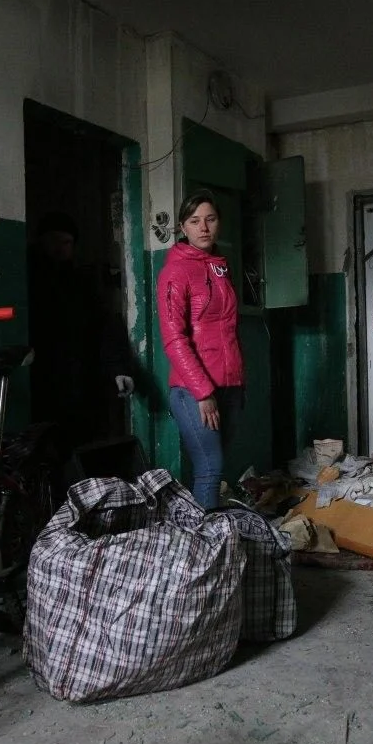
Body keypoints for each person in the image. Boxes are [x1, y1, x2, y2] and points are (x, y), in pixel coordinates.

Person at [156, 189, 244, 509]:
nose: (203, 227)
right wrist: (203, 392)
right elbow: (174, 339)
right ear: (183, 227)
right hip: (194, 390)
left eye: (210, 219)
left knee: (216, 467)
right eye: (194, 221)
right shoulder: (175, 271)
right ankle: (204, 539)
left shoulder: (220, 267)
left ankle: (209, 530)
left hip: (230, 384)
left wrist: (237, 380)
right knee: (209, 468)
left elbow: (226, 329)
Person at [27, 211, 134, 459]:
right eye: (54, 241)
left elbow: (105, 326)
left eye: (66, 242)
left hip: (77, 380)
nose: (60, 249)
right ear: (41, 241)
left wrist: (118, 369)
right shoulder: (27, 279)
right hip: (39, 379)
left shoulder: (80, 284)